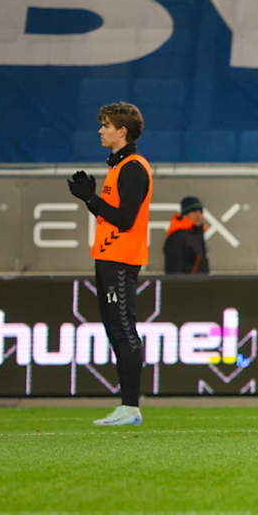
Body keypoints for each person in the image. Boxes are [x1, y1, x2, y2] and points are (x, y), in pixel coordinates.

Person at [67, 102, 152, 427]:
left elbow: (125, 219)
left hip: (121, 258)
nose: (100, 130)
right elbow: (113, 215)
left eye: (106, 125)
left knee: (123, 330)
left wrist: (90, 198)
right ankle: (127, 407)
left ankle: (130, 408)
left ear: (122, 131)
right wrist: (90, 198)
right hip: (108, 256)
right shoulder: (119, 166)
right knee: (116, 330)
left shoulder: (132, 166)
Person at [163, 196, 209, 275]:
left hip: (198, 285)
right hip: (186, 285)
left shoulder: (197, 235)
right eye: (194, 212)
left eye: (200, 212)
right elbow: (174, 269)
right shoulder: (177, 237)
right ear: (185, 214)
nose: (198, 216)